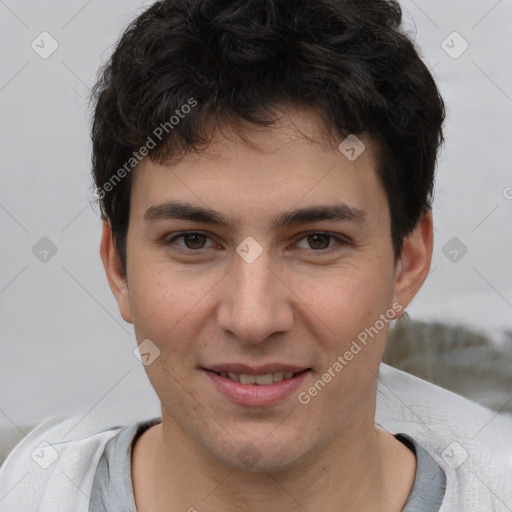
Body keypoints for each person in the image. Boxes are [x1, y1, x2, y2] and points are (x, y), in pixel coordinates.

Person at [0, 0, 510, 510]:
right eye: (193, 240)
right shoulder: (29, 492)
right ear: (119, 268)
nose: (253, 319)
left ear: (408, 263)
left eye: (318, 241)